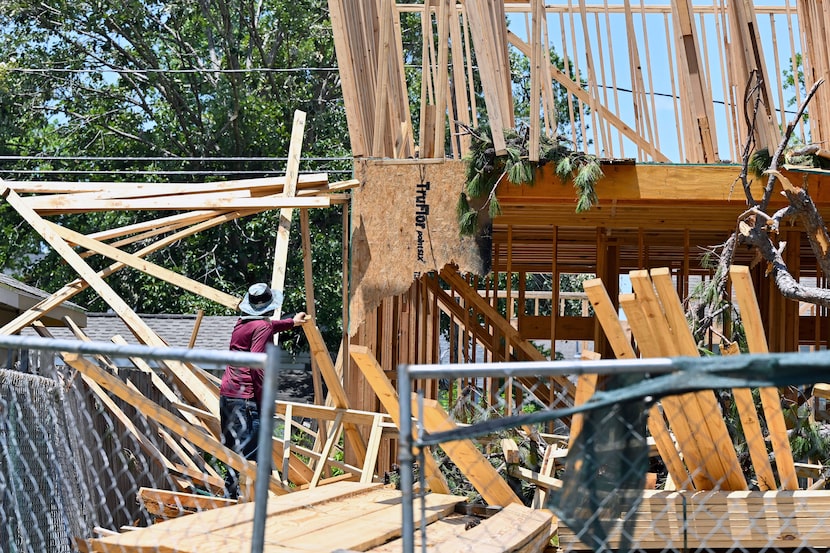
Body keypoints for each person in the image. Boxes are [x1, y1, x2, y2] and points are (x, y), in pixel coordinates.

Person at [219, 282, 308, 499]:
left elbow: (267, 327)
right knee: (255, 450)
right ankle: (255, 502)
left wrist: (291, 323)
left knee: (233, 447)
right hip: (247, 397)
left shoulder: (241, 325)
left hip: (228, 394)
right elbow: (258, 365)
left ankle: (231, 494)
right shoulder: (262, 327)